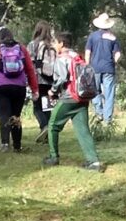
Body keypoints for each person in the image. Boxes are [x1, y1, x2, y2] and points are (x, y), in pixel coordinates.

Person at [44, 34, 106, 170]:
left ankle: (54, 157)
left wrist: (52, 91)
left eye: (55, 42)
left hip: (68, 98)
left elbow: (62, 78)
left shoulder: (61, 59)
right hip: (83, 97)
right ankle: (93, 161)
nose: (53, 45)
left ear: (61, 43)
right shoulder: (78, 56)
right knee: (83, 130)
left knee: (53, 125)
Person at [0, 26, 32, 152]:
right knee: (16, 115)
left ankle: (5, 143)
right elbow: (30, 69)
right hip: (19, 86)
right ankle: (17, 145)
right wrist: (34, 88)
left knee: (3, 115)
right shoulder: (21, 48)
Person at [85, 15, 121, 129]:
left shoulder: (93, 36)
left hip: (95, 68)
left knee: (95, 91)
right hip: (109, 68)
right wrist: (114, 62)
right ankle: (108, 119)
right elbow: (117, 54)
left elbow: (87, 52)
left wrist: (87, 65)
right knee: (109, 94)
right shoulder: (113, 38)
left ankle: (99, 113)